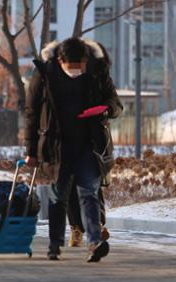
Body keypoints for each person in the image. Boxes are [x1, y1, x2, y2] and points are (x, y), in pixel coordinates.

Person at [25, 37, 122, 262]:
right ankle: (54, 245)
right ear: (60, 61)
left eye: (81, 66)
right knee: (59, 198)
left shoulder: (98, 71)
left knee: (89, 194)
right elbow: (31, 112)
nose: (77, 71)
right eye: (72, 67)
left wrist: (106, 109)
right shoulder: (44, 74)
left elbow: (116, 103)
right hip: (56, 147)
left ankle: (94, 242)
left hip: (89, 145)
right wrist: (31, 150)